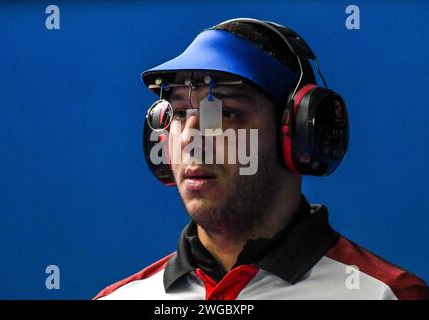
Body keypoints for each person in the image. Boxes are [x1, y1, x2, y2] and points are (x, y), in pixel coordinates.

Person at [94, 18, 428, 300]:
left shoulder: (384, 295)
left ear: (296, 133)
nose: (191, 141)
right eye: (180, 113)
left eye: (224, 113)